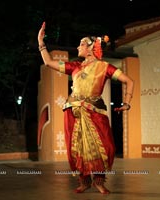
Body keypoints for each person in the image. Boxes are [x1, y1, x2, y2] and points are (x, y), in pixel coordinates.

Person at [37, 22, 134, 194]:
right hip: (74, 112)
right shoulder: (75, 67)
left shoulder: (105, 67)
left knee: (103, 146)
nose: (78, 47)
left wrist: (126, 102)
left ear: (91, 48)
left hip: (95, 112)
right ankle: (85, 181)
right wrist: (41, 42)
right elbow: (49, 62)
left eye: (81, 44)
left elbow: (129, 81)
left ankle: (99, 181)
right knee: (78, 147)